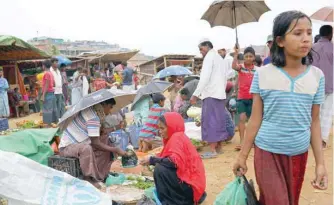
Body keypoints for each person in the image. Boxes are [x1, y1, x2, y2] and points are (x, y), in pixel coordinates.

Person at [233, 11, 328, 205]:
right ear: (280, 40)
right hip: (267, 152)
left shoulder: (317, 76)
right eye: (298, 33)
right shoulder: (263, 74)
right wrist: (242, 156)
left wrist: (320, 164)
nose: (305, 39)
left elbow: (315, 122)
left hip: (299, 154)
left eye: (309, 33)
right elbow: (255, 119)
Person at [59, 98, 130, 188]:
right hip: (67, 148)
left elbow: (101, 133)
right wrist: (115, 149)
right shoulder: (92, 117)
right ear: (104, 105)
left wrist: (117, 127)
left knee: (105, 139)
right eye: (110, 107)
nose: (110, 111)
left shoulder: (94, 113)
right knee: (86, 148)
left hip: (80, 144)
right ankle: (88, 178)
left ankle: (101, 174)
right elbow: (95, 143)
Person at [140, 112, 207, 205]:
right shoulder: (177, 137)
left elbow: (174, 162)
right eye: (159, 128)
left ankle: (173, 201)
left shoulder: (177, 138)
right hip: (193, 185)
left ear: (171, 126)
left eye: (162, 128)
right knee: (161, 166)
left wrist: (152, 160)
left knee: (160, 169)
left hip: (191, 187)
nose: (160, 131)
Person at [190, 39, 230, 158]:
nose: (201, 52)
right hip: (220, 94)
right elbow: (224, 78)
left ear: (207, 47)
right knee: (219, 120)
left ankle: (212, 150)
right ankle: (219, 147)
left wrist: (195, 94)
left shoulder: (209, 58)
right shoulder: (219, 58)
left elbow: (204, 78)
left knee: (210, 121)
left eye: (201, 49)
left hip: (211, 94)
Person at [232, 46, 257, 151]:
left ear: (254, 58)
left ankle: (252, 141)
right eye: (246, 56)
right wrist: (236, 54)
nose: (248, 58)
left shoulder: (257, 70)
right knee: (242, 119)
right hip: (242, 98)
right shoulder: (241, 67)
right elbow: (233, 66)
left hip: (253, 99)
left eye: (250, 56)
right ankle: (242, 141)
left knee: (252, 121)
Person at [312, 25, 333, 149]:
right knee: (326, 113)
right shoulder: (332, 47)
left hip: (313, 85)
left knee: (314, 113)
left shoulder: (312, 48)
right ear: (330, 34)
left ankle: (312, 138)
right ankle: (322, 140)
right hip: (330, 85)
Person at [41, 60, 58, 125]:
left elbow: (47, 84)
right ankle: (54, 123)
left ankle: (48, 124)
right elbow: (53, 83)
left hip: (48, 93)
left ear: (44, 66)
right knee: (53, 109)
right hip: (52, 93)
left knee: (47, 109)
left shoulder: (47, 73)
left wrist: (43, 95)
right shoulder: (51, 73)